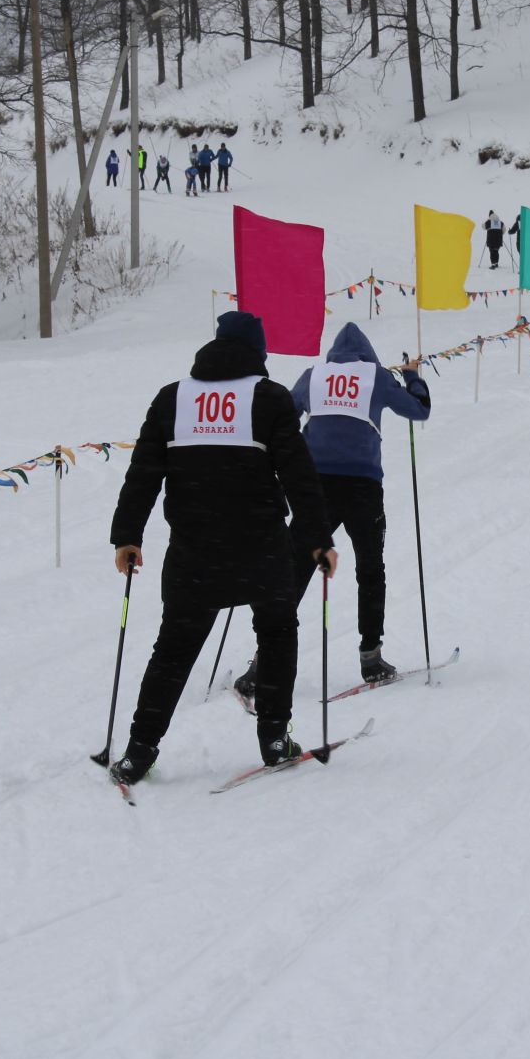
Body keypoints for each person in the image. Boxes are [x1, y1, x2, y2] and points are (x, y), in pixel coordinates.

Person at [106, 311, 338, 784]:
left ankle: (138, 751)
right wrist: (318, 539)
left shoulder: (174, 398)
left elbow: (144, 473)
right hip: (262, 547)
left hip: (194, 553)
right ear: (259, 353)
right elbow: (299, 474)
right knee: (276, 634)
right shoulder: (268, 398)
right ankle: (274, 738)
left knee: (173, 650)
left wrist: (127, 535)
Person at [234, 324, 431, 703]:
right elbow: (418, 410)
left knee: (294, 571)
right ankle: (371, 656)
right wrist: (412, 378)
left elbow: (285, 415)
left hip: (315, 486)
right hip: (362, 486)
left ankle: (261, 663)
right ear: (368, 354)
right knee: (370, 570)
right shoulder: (375, 376)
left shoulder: (315, 376)